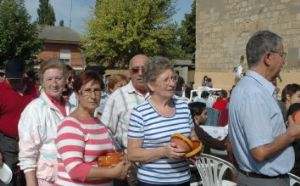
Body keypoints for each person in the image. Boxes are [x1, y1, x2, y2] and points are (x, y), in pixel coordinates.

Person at [228, 30, 300, 186]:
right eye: (282, 55)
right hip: (264, 181)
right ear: (268, 58)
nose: (284, 61)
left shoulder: (246, 88)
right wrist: (291, 135)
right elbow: (260, 151)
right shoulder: (254, 93)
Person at [127, 56, 198, 186]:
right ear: (151, 85)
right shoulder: (140, 113)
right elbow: (132, 154)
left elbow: (194, 138)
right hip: (152, 182)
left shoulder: (183, 106)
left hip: (183, 180)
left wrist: (194, 151)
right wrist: (163, 152)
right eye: (166, 80)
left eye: (173, 78)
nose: (172, 84)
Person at [55, 71, 130, 185]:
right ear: (77, 94)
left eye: (96, 90)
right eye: (87, 90)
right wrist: (113, 173)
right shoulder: (70, 125)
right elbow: (75, 170)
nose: (93, 96)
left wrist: (120, 159)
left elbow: (102, 157)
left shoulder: (99, 123)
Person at [18, 59, 73, 186]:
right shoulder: (34, 110)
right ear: (42, 82)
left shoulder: (72, 107)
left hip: (71, 177)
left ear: (65, 80)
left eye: (58, 78)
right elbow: (27, 153)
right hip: (47, 180)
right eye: (49, 79)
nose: (54, 83)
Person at [101, 54, 149, 186]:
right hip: (129, 170)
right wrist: (121, 158)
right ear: (130, 72)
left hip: (157, 169)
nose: (140, 73)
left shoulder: (158, 95)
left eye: (144, 69)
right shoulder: (117, 97)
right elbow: (106, 132)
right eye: (135, 70)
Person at [0, 59, 38, 186]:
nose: (14, 82)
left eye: (17, 79)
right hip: (7, 143)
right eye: (11, 79)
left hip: (30, 142)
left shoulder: (33, 89)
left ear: (23, 74)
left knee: (29, 178)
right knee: (7, 179)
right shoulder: (1, 91)